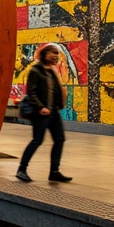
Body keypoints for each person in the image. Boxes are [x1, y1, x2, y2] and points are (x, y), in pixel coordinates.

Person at [16, 44, 72, 183]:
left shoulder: (52, 71)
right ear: (45, 54)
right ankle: (21, 169)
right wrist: (41, 107)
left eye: (57, 53)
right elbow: (31, 92)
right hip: (40, 112)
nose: (55, 56)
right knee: (37, 140)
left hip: (53, 111)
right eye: (53, 53)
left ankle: (54, 171)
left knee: (59, 139)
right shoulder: (36, 70)